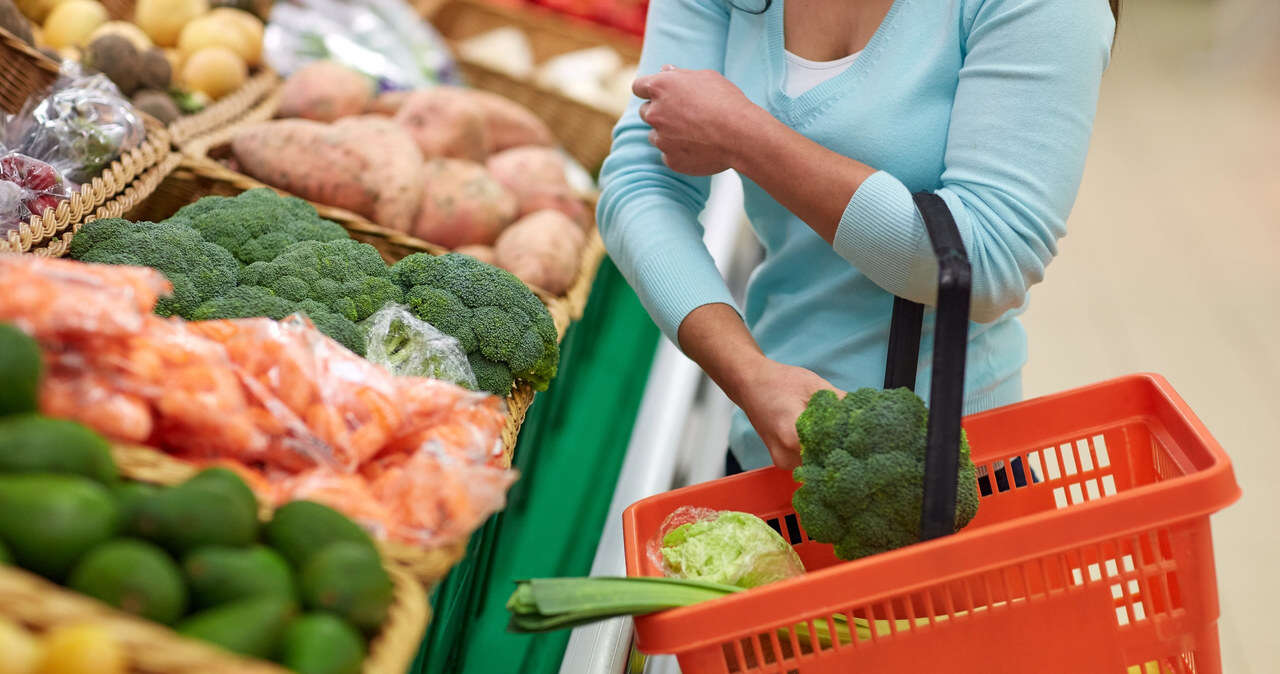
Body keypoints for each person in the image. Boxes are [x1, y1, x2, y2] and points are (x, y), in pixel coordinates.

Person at [597, 0, 1117, 473]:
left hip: (952, 464)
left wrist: (745, 136)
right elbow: (644, 181)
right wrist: (746, 373)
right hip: (769, 438)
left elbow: (987, 261)